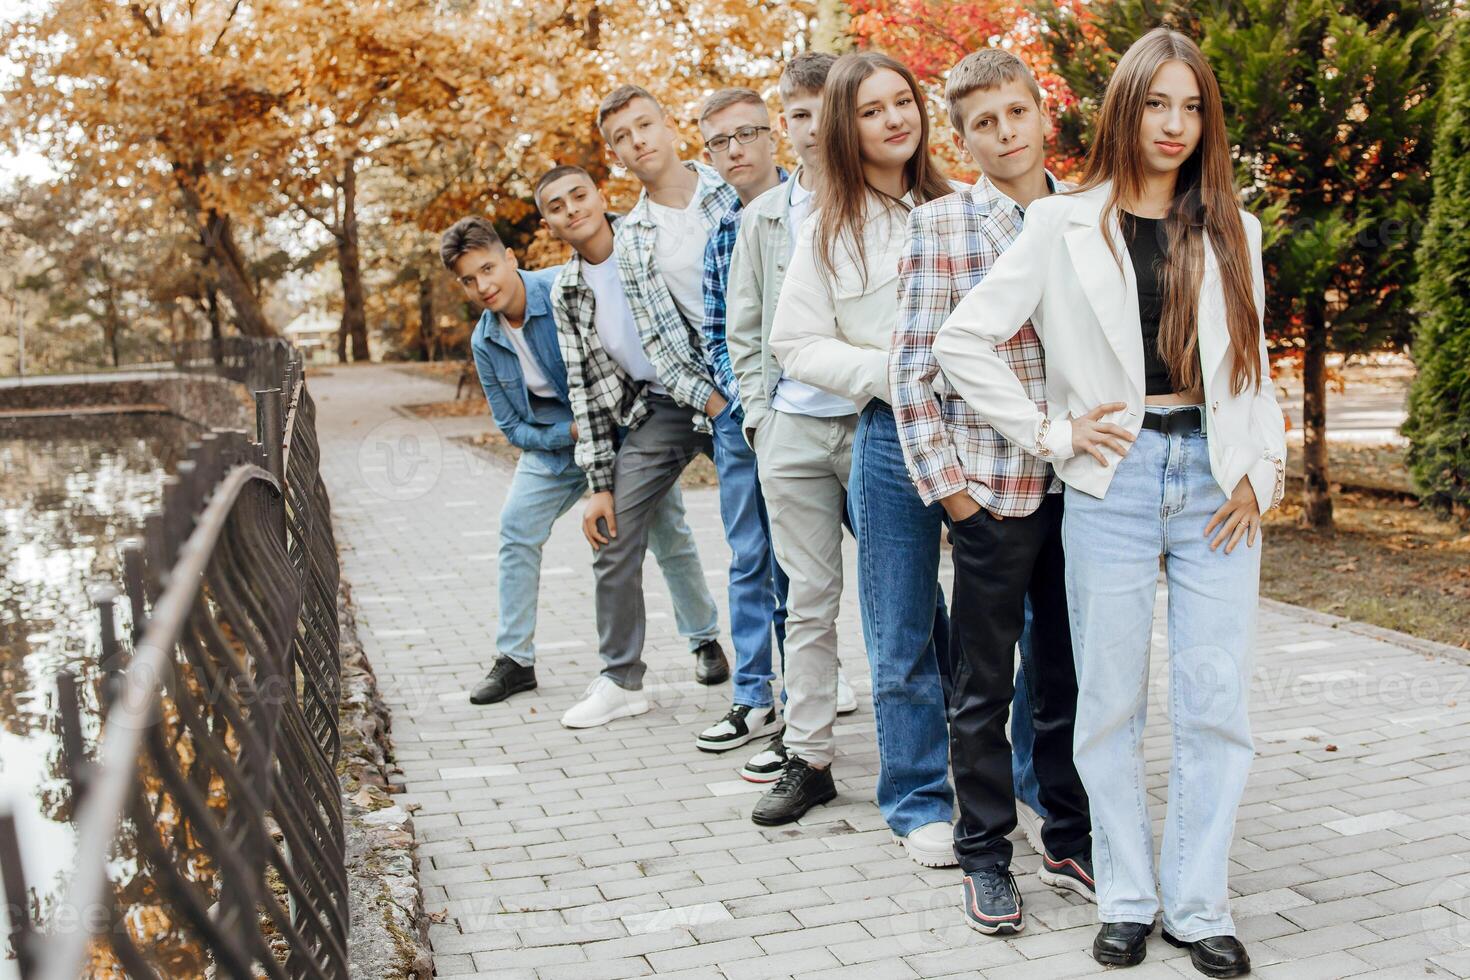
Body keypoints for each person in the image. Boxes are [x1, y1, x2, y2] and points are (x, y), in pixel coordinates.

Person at [934, 27, 1285, 976]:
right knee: (1109, 706)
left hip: (1218, 482)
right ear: (1126, 107)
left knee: (1215, 703)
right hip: (1114, 482)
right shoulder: (1061, 223)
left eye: (1193, 107)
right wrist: (1051, 434)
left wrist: (1265, 469)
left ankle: (1201, 902)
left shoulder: (1232, 227)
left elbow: (1252, 367)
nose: (1175, 125)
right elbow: (961, 343)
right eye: (1158, 103)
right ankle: (1128, 895)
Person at [894, 47, 1095, 935]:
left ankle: (1070, 832)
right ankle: (985, 853)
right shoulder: (941, 228)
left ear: (1041, 114)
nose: (1004, 133)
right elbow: (912, 375)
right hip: (993, 491)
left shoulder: (1091, 214)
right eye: (983, 122)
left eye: (1016, 113)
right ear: (964, 137)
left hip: (1085, 490)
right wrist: (956, 500)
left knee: (1069, 672)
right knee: (984, 684)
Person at [769, 51, 958, 865]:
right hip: (887, 435)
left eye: (903, 101)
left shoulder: (963, 207)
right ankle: (918, 801)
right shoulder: (828, 232)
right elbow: (792, 343)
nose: (894, 119)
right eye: (872, 109)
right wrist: (885, 374)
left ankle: (1019, 769)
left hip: (986, 432)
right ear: (847, 128)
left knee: (1009, 617)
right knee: (899, 625)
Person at [439, 216, 722, 709]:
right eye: (468, 279)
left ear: (510, 258)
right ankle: (515, 660)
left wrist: (609, 434)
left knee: (668, 533)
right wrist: (568, 433)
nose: (483, 286)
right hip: (557, 446)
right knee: (515, 528)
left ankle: (705, 640)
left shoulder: (562, 289)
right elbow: (511, 428)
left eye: (487, 268)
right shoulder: (485, 341)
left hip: (623, 433)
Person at [722, 52, 865, 810]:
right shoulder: (764, 219)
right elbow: (743, 328)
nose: (814, 128)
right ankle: (809, 758)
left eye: (825, 111)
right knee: (808, 599)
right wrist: (760, 417)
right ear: (787, 123)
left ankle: (942, 726)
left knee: (900, 593)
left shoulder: (885, 202)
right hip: (793, 432)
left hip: (872, 428)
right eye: (800, 114)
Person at [691, 87, 791, 755]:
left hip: (826, 409)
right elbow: (719, 331)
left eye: (745, 134)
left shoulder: (813, 204)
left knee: (865, 556)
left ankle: (825, 685)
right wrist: (743, 405)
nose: (734, 150)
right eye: (718, 143)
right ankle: (755, 696)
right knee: (751, 555)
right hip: (744, 418)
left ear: (772, 135)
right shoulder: (721, 230)